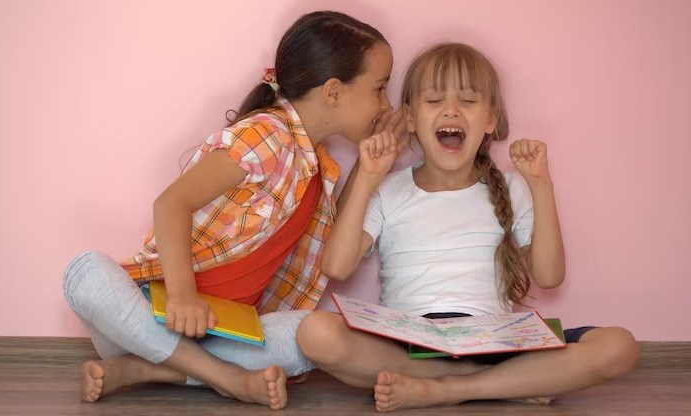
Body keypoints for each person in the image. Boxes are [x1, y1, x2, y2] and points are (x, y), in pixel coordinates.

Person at [63, 10, 395, 410]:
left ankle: (147, 368)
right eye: (380, 89)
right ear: (334, 92)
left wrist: (368, 169)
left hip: (225, 335)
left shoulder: (321, 170)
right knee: (85, 273)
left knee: (313, 335)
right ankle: (224, 378)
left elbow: (333, 257)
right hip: (151, 318)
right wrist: (183, 297)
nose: (385, 104)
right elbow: (171, 203)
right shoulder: (265, 136)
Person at [296, 42, 638, 412]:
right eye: (434, 100)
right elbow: (336, 266)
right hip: (408, 342)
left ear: (491, 119)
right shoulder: (388, 188)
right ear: (410, 118)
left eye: (468, 101)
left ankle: (449, 388)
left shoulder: (513, 187)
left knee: (618, 346)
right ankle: (502, 384)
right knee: (315, 333)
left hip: (496, 341)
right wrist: (366, 176)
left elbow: (549, 276)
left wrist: (541, 185)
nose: (452, 110)